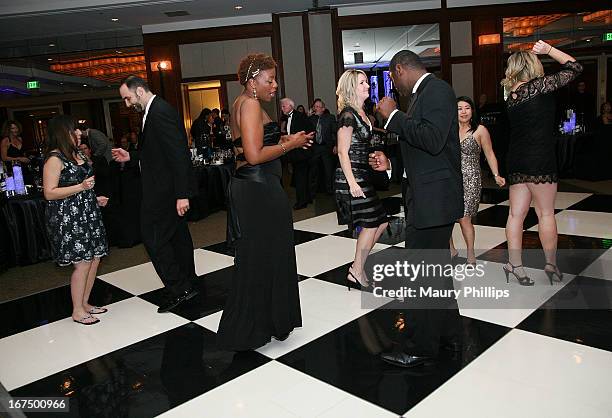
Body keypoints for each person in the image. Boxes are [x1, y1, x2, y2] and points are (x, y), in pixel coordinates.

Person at [369, 49, 464, 367]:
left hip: (435, 200)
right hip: (428, 197)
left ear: (399, 70)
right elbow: (422, 151)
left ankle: (420, 347)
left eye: (392, 79)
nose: (393, 87)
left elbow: (434, 139)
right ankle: (449, 334)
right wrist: (391, 165)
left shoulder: (436, 90)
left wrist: (394, 116)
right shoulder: (425, 95)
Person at [217, 53, 313, 351]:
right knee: (263, 256)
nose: (275, 85)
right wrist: (290, 145)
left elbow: (255, 147)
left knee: (266, 254)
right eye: (269, 80)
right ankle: (251, 327)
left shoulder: (244, 103)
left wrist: (286, 140)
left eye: (274, 79)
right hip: (258, 190)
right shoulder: (249, 104)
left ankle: (269, 322)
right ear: (252, 80)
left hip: (257, 187)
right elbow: (254, 155)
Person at [112, 75, 198, 313]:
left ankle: (180, 288)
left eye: (128, 99)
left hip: (165, 193)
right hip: (165, 190)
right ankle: (188, 281)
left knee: (153, 239)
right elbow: (156, 154)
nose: (128, 105)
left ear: (139, 91)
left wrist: (182, 194)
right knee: (177, 237)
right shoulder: (153, 111)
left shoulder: (159, 111)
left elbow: (178, 154)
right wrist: (132, 157)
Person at [501, 40, 582, 286]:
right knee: (545, 213)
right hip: (540, 158)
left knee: (516, 214)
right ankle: (550, 264)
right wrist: (549, 51)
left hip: (516, 158)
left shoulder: (511, 95)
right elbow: (575, 67)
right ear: (532, 65)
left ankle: (515, 266)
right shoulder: (541, 87)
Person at [43, 115, 108, 325]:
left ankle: (85, 303)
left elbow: (83, 184)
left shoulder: (76, 153)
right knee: (82, 263)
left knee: (95, 258)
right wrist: (81, 188)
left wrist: (93, 198)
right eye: (75, 130)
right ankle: (77, 310)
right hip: (68, 218)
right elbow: (50, 192)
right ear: (64, 132)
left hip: (87, 212)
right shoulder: (54, 159)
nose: (79, 132)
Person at [334, 69, 389, 288]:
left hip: (362, 173)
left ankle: (357, 267)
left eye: (367, 82)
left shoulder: (362, 112)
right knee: (371, 223)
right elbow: (341, 151)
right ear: (350, 88)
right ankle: (357, 269)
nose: (368, 86)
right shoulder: (348, 113)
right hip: (351, 176)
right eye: (362, 83)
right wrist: (352, 183)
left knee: (381, 222)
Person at [449, 96, 505, 265]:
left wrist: (496, 175)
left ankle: (471, 254)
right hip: (451, 179)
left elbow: (489, 154)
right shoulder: (449, 130)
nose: (463, 111)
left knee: (465, 218)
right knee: (447, 217)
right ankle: (451, 250)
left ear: (472, 110)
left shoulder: (480, 130)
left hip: (471, 179)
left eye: (467, 108)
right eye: (459, 108)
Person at [281, 97, 314, 209]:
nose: (282, 108)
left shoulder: (299, 116)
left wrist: (304, 141)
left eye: (283, 106)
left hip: (301, 152)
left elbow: (310, 129)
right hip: (295, 151)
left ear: (290, 106)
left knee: (300, 177)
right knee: (301, 176)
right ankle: (307, 198)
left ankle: (302, 202)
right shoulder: (287, 118)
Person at [308, 98, 337, 197]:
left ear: (323, 108)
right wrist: (308, 117)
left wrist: (336, 145)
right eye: (314, 106)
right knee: (313, 170)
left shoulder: (330, 118)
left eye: (317, 107)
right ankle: (312, 192)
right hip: (315, 147)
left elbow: (335, 132)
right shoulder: (310, 119)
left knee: (328, 170)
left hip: (326, 147)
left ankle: (330, 190)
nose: (315, 108)